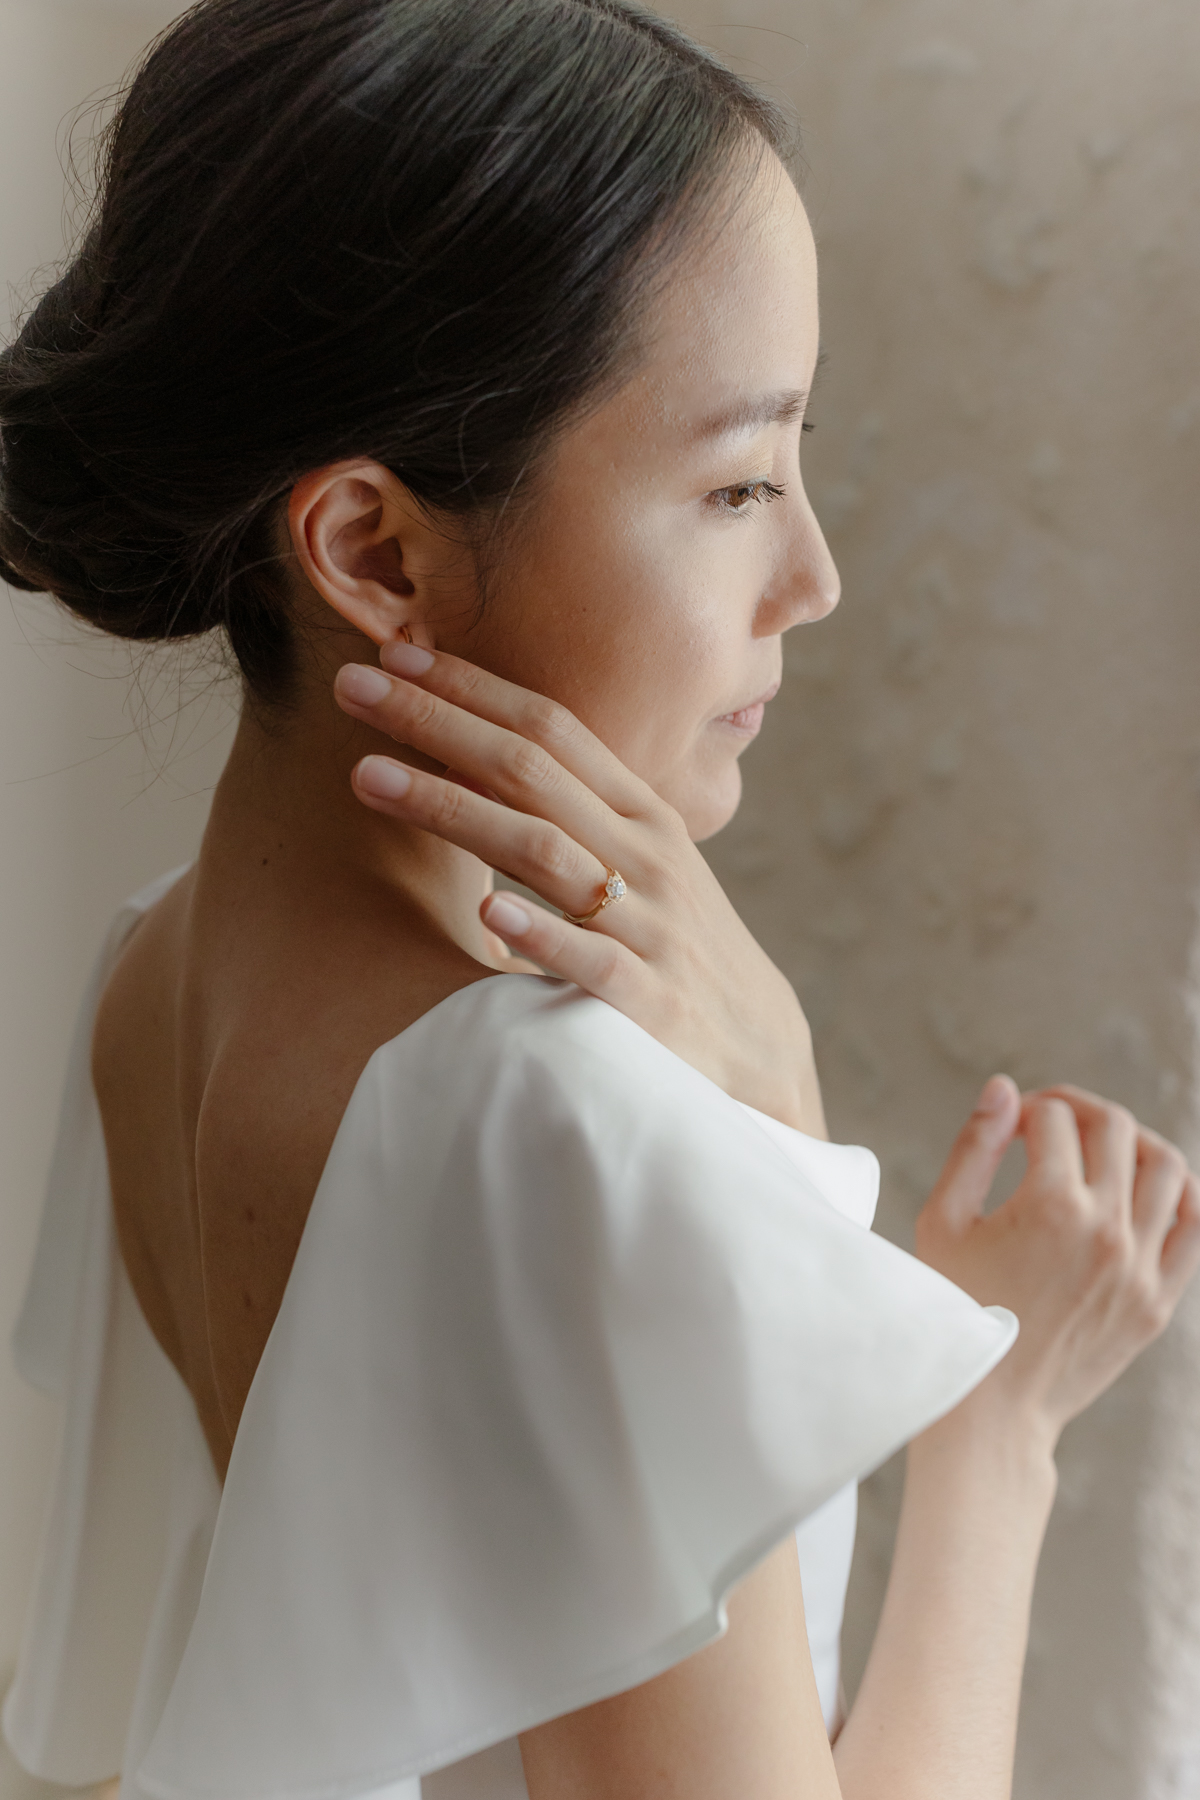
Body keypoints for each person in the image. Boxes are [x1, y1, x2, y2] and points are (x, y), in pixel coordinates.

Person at [1, 3, 1196, 1797]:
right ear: (374, 553)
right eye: (733, 482)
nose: (814, 575)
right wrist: (997, 1420)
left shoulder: (152, 972)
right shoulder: (563, 1128)